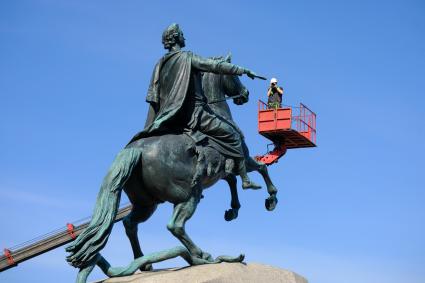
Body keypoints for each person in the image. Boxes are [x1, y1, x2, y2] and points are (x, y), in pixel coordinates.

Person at [128, 23, 261, 190]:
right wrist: (241, 70)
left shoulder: (160, 64)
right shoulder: (187, 58)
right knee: (233, 136)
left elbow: (153, 97)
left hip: (170, 117)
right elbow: (215, 66)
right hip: (194, 114)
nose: (185, 37)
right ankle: (245, 179)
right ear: (176, 37)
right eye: (182, 34)